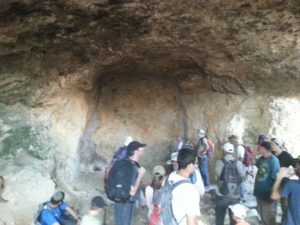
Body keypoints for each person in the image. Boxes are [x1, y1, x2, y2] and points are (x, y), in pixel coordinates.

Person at [114, 141, 146, 225]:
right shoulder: (130, 167)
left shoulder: (128, 163)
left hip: (121, 201)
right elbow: (132, 192)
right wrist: (140, 175)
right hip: (126, 203)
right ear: (135, 151)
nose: (143, 149)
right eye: (140, 147)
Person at [168, 147, 201, 225]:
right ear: (189, 166)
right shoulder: (190, 190)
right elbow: (191, 221)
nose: (196, 166)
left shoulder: (169, 178)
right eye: (195, 163)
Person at [215, 143, 243, 225]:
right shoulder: (238, 163)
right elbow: (242, 178)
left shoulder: (220, 162)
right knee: (234, 220)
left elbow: (216, 177)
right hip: (235, 197)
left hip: (222, 195)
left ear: (224, 151)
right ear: (233, 152)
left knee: (219, 219)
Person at [253, 141, 280, 225]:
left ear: (264, 149)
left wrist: (272, 194)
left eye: (260, 148)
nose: (258, 149)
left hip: (267, 194)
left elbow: (276, 179)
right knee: (262, 215)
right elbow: (255, 164)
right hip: (259, 193)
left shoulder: (274, 161)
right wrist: (254, 155)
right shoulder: (261, 159)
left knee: (269, 217)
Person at [271, 137, 295, 223]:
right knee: (272, 205)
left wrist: (287, 173)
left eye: (273, 144)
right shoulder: (272, 155)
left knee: (284, 206)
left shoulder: (286, 156)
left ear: (279, 145)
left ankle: (284, 222)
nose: (271, 146)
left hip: (284, 184)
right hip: (273, 184)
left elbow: (295, 166)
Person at [271, 158, 300, 225]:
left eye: (297, 167)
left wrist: (280, 177)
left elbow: (274, 196)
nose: (295, 169)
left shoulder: (292, 184)